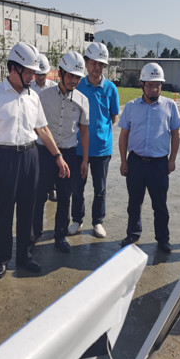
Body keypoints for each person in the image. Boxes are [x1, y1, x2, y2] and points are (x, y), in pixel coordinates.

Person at [0, 42, 69, 279]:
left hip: (31, 156)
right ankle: (1, 259)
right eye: (28, 72)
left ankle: (25, 256)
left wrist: (58, 156)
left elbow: (43, 130)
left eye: (33, 72)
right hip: (4, 157)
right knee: (4, 211)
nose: (32, 77)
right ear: (13, 68)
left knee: (29, 209)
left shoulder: (33, 97)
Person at [118, 63, 180, 253]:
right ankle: (133, 233)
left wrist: (172, 160)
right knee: (134, 203)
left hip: (159, 164)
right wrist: (123, 161)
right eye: (150, 85)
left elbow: (176, 134)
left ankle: (163, 238)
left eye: (157, 85)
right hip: (136, 162)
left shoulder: (170, 106)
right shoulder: (131, 107)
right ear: (142, 84)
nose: (154, 89)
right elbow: (123, 136)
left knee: (160, 205)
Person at [33, 51, 89, 253]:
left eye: (78, 77)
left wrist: (84, 160)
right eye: (71, 75)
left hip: (69, 155)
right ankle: (35, 233)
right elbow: (37, 126)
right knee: (39, 196)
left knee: (65, 197)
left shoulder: (83, 100)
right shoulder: (43, 96)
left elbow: (84, 131)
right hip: (44, 153)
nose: (74, 80)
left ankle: (60, 235)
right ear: (61, 73)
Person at [69, 42, 119, 238]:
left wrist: (99, 131)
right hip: (78, 147)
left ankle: (98, 222)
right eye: (94, 63)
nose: (97, 67)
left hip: (101, 149)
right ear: (86, 63)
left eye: (101, 64)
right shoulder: (78, 86)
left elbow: (113, 117)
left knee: (100, 189)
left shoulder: (111, 89)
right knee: (77, 188)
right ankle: (77, 220)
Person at [31, 53, 59, 202]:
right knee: (39, 164)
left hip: (50, 130)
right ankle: (38, 188)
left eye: (43, 74)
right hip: (33, 132)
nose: (40, 77)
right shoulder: (29, 87)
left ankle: (52, 189)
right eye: (37, 74)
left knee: (53, 161)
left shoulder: (54, 88)